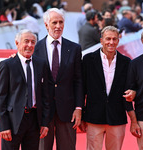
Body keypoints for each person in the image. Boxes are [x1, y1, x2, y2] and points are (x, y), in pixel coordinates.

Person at [80, 26, 140, 150]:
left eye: (114, 39)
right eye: (108, 39)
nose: (111, 42)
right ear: (101, 40)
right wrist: (81, 114)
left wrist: (133, 118)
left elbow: (128, 91)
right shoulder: (88, 60)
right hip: (93, 117)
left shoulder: (126, 62)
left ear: (118, 41)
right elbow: (82, 89)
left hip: (117, 117)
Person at [34, 8, 84, 150]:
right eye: (54, 22)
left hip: (68, 110)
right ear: (46, 25)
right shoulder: (35, 49)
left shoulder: (74, 48)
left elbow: (78, 80)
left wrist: (79, 107)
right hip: (43, 111)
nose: (58, 26)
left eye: (61, 22)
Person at [0, 29, 50, 150]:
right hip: (13, 121)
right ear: (17, 43)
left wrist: (44, 123)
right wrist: (4, 126)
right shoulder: (7, 65)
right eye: (26, 41)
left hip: (34, 121)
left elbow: (45, 96)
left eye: (32, 42)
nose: (29, 45)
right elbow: (0, 98)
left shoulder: (41, 64)